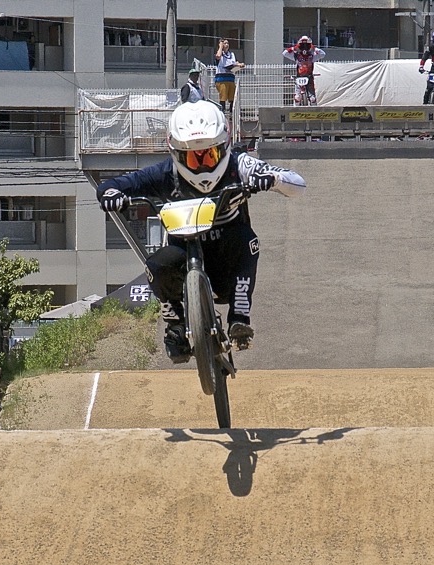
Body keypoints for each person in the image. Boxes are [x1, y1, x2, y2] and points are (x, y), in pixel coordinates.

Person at [96, 101, 306, 361]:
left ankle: (240, 314)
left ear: (224, 147)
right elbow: (112, 185)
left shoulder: (241, 165)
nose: (203, 166)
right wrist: (111, 195)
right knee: (155, 265)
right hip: (182, 252)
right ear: (176, 153)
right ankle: (174, 322)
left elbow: (298, 183)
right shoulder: (164, 173)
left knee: (248, 240)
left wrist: (272, 179)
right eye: (194, 157)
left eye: (209, 155)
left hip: (228, 257)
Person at [283, 35, 326, 104]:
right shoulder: (296, 56)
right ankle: (295, 109)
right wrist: (294, 48)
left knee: (312, 98)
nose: (304, 47)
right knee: (297, 97)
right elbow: (284, 53)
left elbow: (323, 54)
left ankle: (313, 110)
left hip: (309, 77)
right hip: (299, 76)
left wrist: (314, 48)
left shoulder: (313, 56)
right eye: (302, 45)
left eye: (307, 45)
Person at [214, 39, 245, 113]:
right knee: (223, 97)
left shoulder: (232, 54)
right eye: (224, 43)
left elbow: (234, 63)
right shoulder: (220, 54)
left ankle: (232, 113)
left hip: (230, 78)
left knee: (232, 97)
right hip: (222, 79)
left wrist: (239, 65)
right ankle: (222, 112)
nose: (226, 45)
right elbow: (218, 56)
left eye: (227, 43)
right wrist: (220, 47)